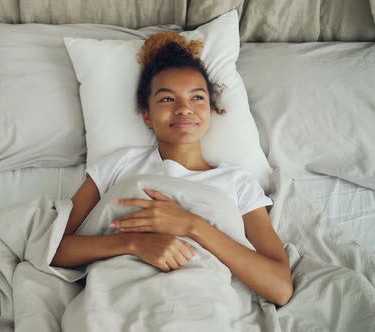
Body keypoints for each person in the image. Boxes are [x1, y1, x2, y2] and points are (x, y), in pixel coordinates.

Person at [50, 32, 293, 306]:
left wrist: (192, 225)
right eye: (167, 99)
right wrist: (133, 244)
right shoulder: (119, 165)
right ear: (147, 116)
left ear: (211, 110)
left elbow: (280, 287)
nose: (184, 109)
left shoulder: (237, 181)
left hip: (204, 303)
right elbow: (55, 248)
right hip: (122, 299)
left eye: (197, 98)